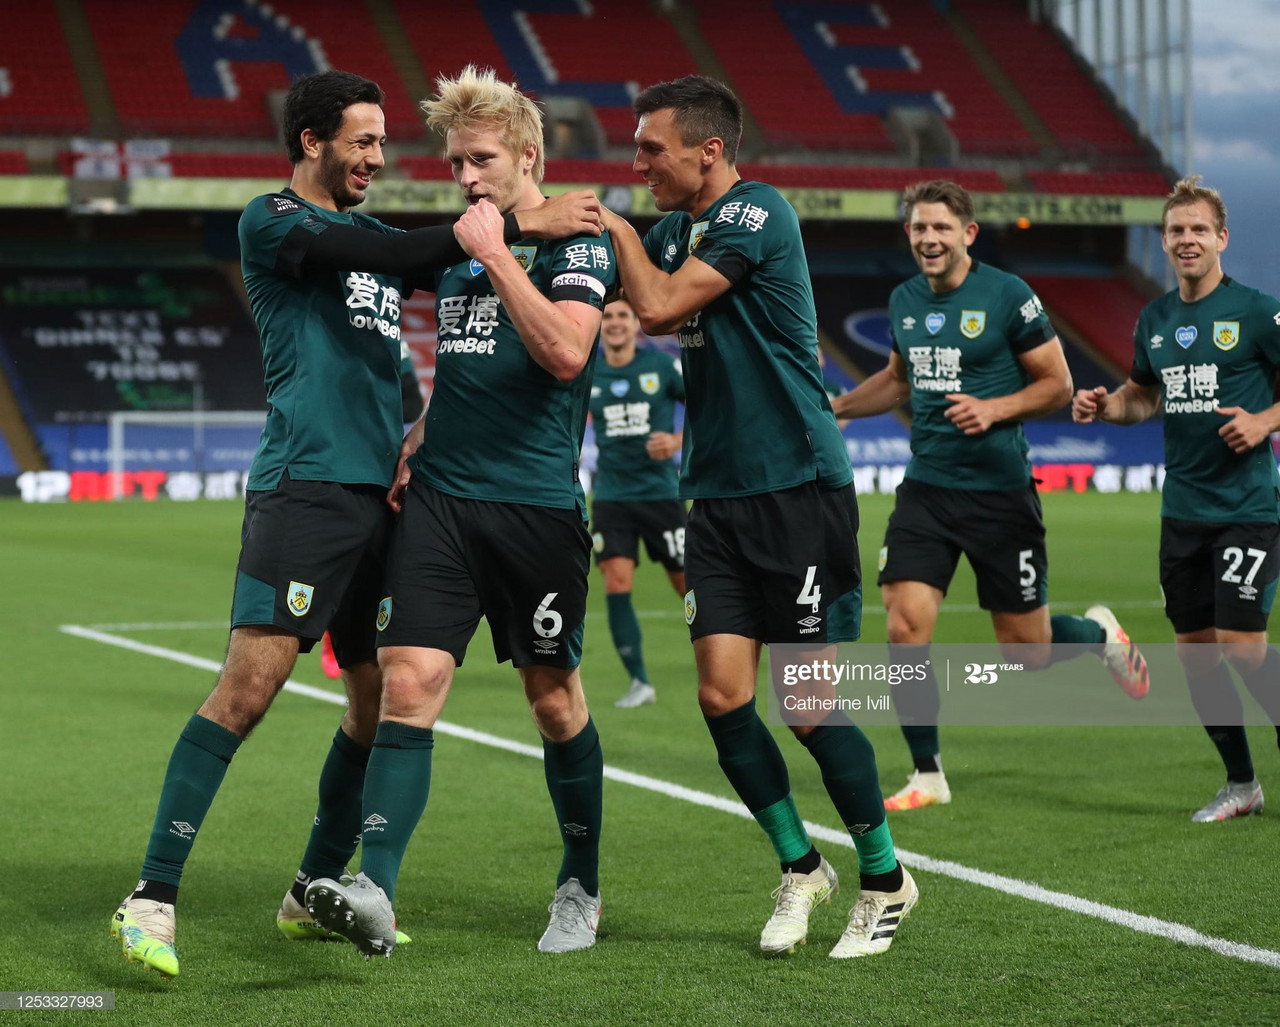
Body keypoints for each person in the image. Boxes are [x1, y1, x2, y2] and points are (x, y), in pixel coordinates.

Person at [108, 69, 599, 979]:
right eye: (365, 141)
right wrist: (527, 221)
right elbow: (420, 258)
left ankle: (314, 884)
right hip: (308, 490)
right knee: (249, 688)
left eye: (382, 140)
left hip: (386, 502)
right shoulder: (276, 222)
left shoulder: (370, 237)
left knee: (376, 703)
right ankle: (153, 893)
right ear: (313, 143)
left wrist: (415, 434)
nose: (381, 157)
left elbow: (399, 336)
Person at [596, 74, 914, 959]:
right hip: (720, 498)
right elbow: (600, 254)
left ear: (710, 149)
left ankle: (886, 879)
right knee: (723, 695)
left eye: (651, 148)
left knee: (807, 705)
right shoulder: (683, 225)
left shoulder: (756, 212)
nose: (637, 163)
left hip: (797, 488)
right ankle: (802, 866)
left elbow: (654, 304)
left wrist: (616, 228)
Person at [304, 65, 616, 958]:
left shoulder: (577, 245)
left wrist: (496, 253)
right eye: (455, 165)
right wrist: (421, 433)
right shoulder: (465, 250)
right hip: (441, 500)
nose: (466, 178)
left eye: (481, 160)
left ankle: (579, 886)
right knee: (408, 683)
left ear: (527, 155)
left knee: (553, 701)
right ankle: (374, 888)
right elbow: (470, 364)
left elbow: (561, 353)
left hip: (536, 509)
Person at [832, 179, 1150, 812]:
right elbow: (896, 381)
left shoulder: (1008, 295)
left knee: (1025, 650)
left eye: (941, 228)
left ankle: (1096, 634)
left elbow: (1058, 384)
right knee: (904, 627)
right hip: (926, 490)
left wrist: (994, 407)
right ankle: (928, 773)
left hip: (1001, 492)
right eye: (919, 228)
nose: (928, 238)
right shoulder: (903, 300)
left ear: (968, 234)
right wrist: (836, 405)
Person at [1073, 175, 1280, 822]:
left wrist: (1265, 421)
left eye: (1198, 229)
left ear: (1221, 237)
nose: (1186, 239)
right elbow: (1143, 394)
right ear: (1163, 242)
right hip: (1182, 511)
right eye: (1175, 230)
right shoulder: (1156, 318)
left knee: (1243, 643)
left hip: (1247, 507)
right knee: (1195, 653)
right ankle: (1241, 782)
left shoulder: (1256, 311)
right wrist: (1107, 406)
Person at [588, 296, 686, 707]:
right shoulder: (585, 367)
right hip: (611, 496)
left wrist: (680, 441)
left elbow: (710, 402)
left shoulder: (662, 367)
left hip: (661, 494)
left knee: (689, 586)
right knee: (616, 583)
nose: (614, 323)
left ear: (635, 324)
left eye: (622, 316)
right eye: (607, 316)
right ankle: (640, 681)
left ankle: (733, 653)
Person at [320, 345, 424, 680]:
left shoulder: (392, 338)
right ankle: (330, 633)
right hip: (332, 465)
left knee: (385, 568)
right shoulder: (324, 332)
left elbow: (413, 403)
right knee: (333, 557)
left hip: (383, 464)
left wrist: (374, 407)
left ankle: (373, 640)